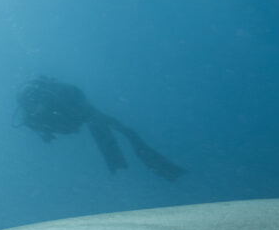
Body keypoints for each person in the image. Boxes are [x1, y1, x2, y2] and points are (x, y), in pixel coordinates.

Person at [15, 76, 186, 180]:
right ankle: (121, 171)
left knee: (119, 131)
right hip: (78, 116)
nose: (35, 109)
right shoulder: (31, 116)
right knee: (116, 132)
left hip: (84, 112)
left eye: (36, 104)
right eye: (31, 107)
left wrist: (81, 111)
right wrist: (45, 134)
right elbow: (34, 125)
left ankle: (153, 168)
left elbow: (76, 94)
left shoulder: (58, 95)